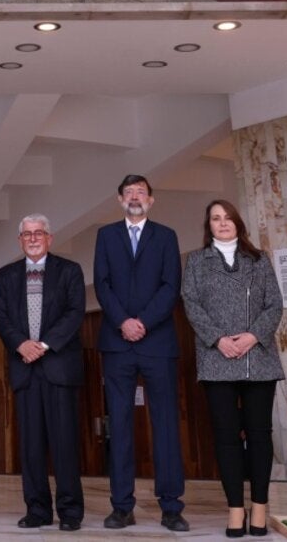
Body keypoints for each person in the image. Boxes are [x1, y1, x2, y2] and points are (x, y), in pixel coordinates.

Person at [181, 200, 284, 538]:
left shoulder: (259, 259)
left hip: (258, 357)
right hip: (217, 357)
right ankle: (235, 510)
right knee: (226, 438)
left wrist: (253, 336)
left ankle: (259, 507)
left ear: (238, 224)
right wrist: (218, 340)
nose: (222, 223)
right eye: (215, 218)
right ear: (208, 225)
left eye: (227, 218)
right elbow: (191, 304)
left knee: (259, 435)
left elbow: (274, 303)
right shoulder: (196, 262)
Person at [94, 175, 189, 532]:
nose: (135, 197)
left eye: (141, 192)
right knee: (118, 426)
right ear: (120, 199)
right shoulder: (105, 235)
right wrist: (123, 322)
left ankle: (171, 507)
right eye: (129, 193)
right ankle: (121, 507)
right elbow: (101, 283)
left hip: (157, 343)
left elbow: (170, 285)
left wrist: (143, 322)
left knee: (165, 425)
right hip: (117, 344)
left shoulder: (165, 236)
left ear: (151, 199)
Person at [0, 214, 86, 531]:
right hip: (25, 368)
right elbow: (1, 316)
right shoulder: (5, 276)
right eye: (27, 234)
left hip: (58, 367)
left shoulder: (69, 271)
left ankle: (70, 512)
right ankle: (37, 510)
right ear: (20, 240)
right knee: (30, 446)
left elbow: (74, 314)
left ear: (50, 237)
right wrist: (21, 345)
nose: (33, 238)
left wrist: (43, 345)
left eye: (39, 233)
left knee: (64, 444)